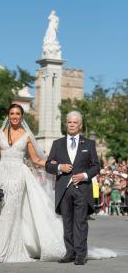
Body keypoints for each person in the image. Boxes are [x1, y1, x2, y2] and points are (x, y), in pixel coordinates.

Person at [0, 105, 116, 263]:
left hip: (19, 176)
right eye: (12, 113)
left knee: (10, 210)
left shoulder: (26, 135)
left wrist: (55, 164)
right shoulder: (0, 134)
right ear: (8, 115)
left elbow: (36, 159)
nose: (14, 116)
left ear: (22, 116)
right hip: (1, 175)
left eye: (17, 113)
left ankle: (3, 251)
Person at [46, 111, 100, 265]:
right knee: (67, 222)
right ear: (66, 124)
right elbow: (48, 165)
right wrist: (60, 167)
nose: (71, 125)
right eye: (69, 122)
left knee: (81, 222)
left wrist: (84, 175)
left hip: (82, 189)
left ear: (80, 125)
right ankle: (70, 253)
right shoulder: (57, 143)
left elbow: (96, 166)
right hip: (63, 189)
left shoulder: (89, 144)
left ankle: (81, 254)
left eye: (74, 122)